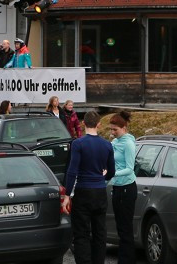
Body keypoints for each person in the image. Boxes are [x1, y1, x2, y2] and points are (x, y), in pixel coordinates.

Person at [64, 110, 114, 264]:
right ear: (99, 124)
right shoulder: (107, 145)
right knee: (100, 232)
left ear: (83, 123)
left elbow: (72, 171)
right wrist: (101, 177)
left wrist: (66, 195)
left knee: (81, 233)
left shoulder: (78, 144)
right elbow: (111, 171)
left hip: (83, 191)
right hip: (99, 191)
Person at [108, 111, 137, 264]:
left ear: (124, 127)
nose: (112, 133)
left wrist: (112, 173)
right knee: (120, 228)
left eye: (115, 130)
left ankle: (126, 261)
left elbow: (129, 168)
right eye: (111, 129)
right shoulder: (114, 142)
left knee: (125, 229)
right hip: (117, 187)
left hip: (127, 188)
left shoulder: (128, 143)